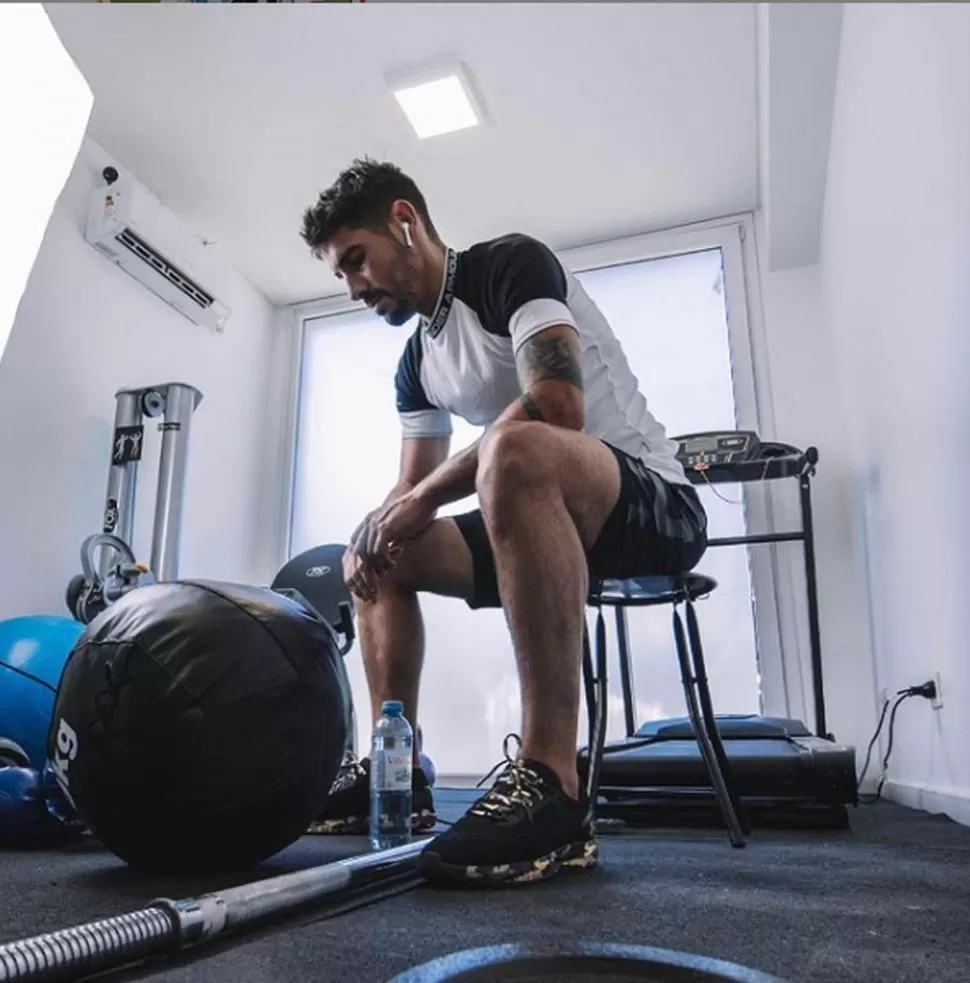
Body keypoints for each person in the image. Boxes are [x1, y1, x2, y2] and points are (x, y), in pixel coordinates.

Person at [299, 158, 708, 886]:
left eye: (356, 260)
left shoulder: (508, 267)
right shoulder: (416, 362)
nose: (354, 287)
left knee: (517, 446)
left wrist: (421, 499)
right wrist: (379, 531)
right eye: (340, 275)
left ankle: (551, 782)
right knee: (379, 551)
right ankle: (396, 767)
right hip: (534, 505)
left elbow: (558, 404)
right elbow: (409, 492)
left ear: (405, 220)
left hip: (649, 502)